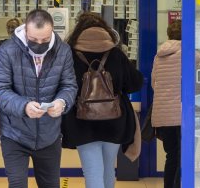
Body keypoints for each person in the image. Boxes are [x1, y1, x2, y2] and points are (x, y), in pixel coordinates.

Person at [0, 9, 78, 188]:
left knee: (50, 184)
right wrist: (24, 106)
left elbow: (69, 85)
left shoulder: (63, 50)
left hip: (49, 135)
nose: (39, 43)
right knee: (17, 184)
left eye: (45, 40)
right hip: (14, 133)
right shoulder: (8, 50)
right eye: (34, 39)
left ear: (52, 30)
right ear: (25, 31)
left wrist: (62, 102)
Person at [61, 13, 143, 188]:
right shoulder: (116, 54)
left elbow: (61, 86)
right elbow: (135, 83)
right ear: (105, 30)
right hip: (114, 119)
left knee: (92, 171)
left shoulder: (69, 54)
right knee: (108, 170)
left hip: (81, 120)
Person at [151, 19, 182, 188]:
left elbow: (154, 84)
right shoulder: (190, 54)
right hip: (182, 115)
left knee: (172, 155)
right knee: (183, 155)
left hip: (163, 115)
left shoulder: (160, 55)